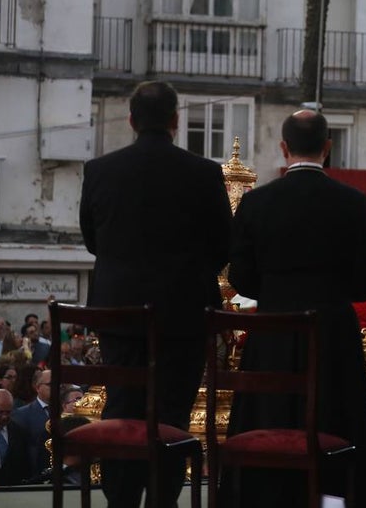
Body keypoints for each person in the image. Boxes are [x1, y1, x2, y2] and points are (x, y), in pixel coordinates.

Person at [79, 80, 233, 508]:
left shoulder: (100, 171)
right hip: (183, 318)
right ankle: (162, 500)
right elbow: (224, 244)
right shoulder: (203, 173)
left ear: (130, 120)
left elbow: (94, 241)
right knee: (172, 415)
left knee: (121, 410)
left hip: (119, 316)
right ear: (175, 121)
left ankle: (121, 499)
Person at [226, 109, 366, 507]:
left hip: (272, 336)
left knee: (269, 424)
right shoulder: (351, 202)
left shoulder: (256, 203)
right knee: (337, 424)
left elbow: (241, 279)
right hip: (334, 337)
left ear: (283, 148)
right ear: (328, 149)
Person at [11, 369, 52, 480]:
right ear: (37, 387)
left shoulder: (66, 411)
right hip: (35, 476)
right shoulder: (21, 414)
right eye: (50, 384)